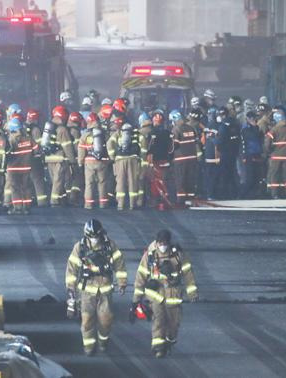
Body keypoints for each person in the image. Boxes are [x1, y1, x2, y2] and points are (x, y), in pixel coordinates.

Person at [132, 229, 198, 358]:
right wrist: (136, 299)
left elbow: (188, 274)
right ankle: (158, 348)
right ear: (157, 242)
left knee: (173, 325)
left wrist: (192, 293)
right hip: (156, 296)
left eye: (165, 243)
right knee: (158, 320)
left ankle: (169, 341)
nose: (163, 245)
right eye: (160, 243)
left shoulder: (178, 255)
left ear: (169, 242)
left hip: (173, 296)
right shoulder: (150, 255)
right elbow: (141, 275)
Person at [65, 219, 127, 355]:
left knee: (106, 320)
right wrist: (71, 289)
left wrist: (122, 283)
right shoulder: (80, 247)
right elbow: (72, 269)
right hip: (87, 292)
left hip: (105, 291)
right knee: (87, 321)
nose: (94, 239)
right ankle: (89, 348)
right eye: (91, 236)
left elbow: (119, 264)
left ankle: (103, 341)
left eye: (96, 236)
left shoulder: (110, 246)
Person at [107, 122, 144, 210]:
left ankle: (120, 204)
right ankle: (132, 204)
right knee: (133, 181)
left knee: (120, 181)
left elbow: (109, 143)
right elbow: (144, 145)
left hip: (120, 160)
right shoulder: (138, 134)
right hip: (133, 160)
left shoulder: (118, 133)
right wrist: (141, 158)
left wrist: (113, 157)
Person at [45, 106, 76, 206]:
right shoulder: (62, 129)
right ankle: (54, 201)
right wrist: (72, 160)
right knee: (58, 181)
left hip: (49, 158)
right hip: (59, 159)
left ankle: (62, 199)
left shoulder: (48, 127)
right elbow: (67, 146)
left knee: (55, 180)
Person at [264, 109, 286, 199]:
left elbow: (267, 143)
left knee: (275, 176)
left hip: (275, 157)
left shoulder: (274, 130)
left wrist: (269, 152)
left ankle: (275, 194)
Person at [78, 115, 110, 209]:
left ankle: (88, 204)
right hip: (102, 161)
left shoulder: (85, 135)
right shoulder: (104, 133)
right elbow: (109, 146)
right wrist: (109, 160)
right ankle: (103, 203)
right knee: (102, 182)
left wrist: (80, 162)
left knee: (89, 183)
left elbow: (81, 150)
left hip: (89, 161)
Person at [170, 110, 201, 204]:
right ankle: (190, 198)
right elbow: (196, 142)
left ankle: (181, 200)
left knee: (181, 180)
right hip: (192, 158)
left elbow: (174, 146)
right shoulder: (191, 128)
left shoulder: (176, 129)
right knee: (190, 179)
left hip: (181, 159)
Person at [5, 118, 35, 215]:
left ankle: (18, 208)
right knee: (26, 187)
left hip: (13, 169)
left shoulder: (11, 140)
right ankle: (27, 207)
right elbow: (37, 150)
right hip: (26, 167)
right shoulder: (29, 139)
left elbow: (6, 154)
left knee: (15, 188)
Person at [147, 111, 175, 205]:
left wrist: (149, 161)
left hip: (155, 161)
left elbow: (149, 148)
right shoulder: (168, 133)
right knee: (166, 179)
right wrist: (170, 159)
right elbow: (172, 148)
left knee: (154, 180)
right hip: (166, 160)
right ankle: (167, 197)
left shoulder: (151, 133)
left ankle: (156, 199)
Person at [214, 106, 240, 199]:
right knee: (233, 174)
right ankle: (235, 193)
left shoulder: (223, 125)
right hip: (235, 151)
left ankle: (224, 194)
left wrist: (213, 140)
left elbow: (220, 140)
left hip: (225, 153)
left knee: (225, 175)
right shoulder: (235, 123)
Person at [25, 109, 48, 207]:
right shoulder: (36, 130)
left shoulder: (23, 127)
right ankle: (42, 203)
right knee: (38, 181)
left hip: (23, 158)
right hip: (35, 159)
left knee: (27, 181)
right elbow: (39, 146)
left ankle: (28, 201)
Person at [240, 111, 264, 198]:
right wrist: (255, 127)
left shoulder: (256, 127)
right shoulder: (245, 129)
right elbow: (254, 136)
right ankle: (242, 195)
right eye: (254, 118)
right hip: (249, 155)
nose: (255, 120)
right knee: (250, 177)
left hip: (257, 154)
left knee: (257, 176)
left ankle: (254, 194)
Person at [67, 112, 86, 205]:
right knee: (77, 179)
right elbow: (77, 147)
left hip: (67, 158)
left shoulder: (67, 129)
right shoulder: (75, 131)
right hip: (74, 158)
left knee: (69, 179)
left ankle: (68, 197)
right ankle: (73, 198)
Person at [202, 107, 220, 199]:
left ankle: (209, 193)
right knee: (214, 176)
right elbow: (216, 143)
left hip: (207, 154)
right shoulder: (216, 126)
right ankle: (213, 194)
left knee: (208, 175)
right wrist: (217, 156)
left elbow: (203, 141)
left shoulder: (206, 126)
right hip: (214, 155)